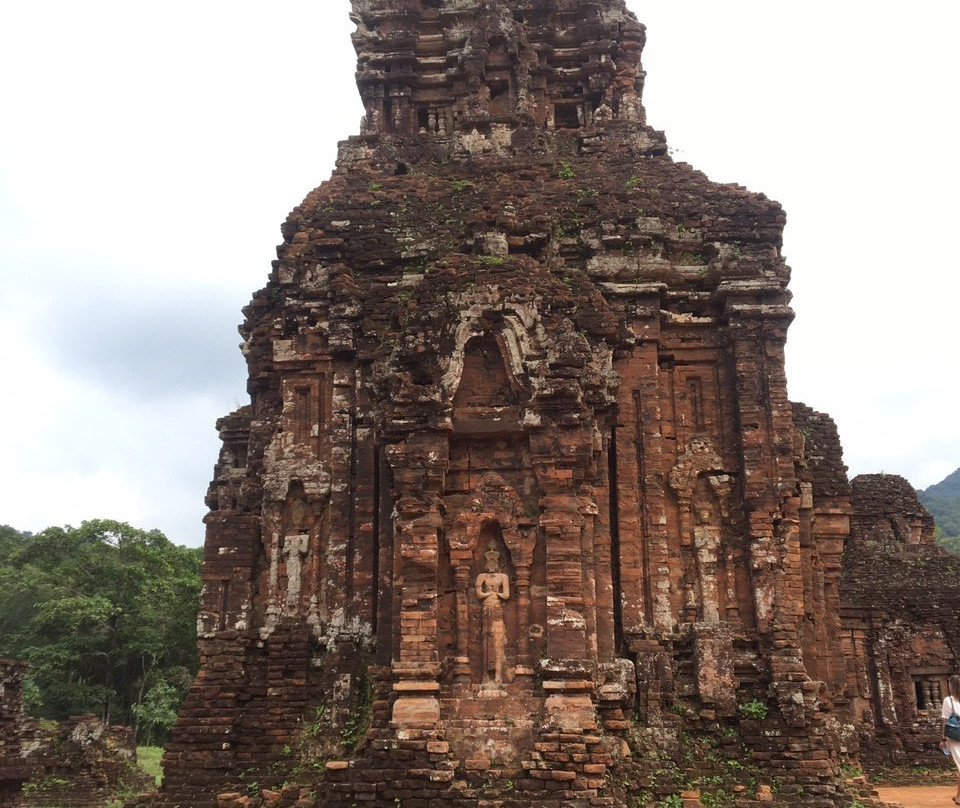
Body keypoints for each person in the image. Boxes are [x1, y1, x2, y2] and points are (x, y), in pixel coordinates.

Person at [941, 674, 960, 804]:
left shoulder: (948, 700)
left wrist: (942, 738)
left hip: (955, 736)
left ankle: (959, 797)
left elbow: (945, 721)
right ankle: (958, 796)